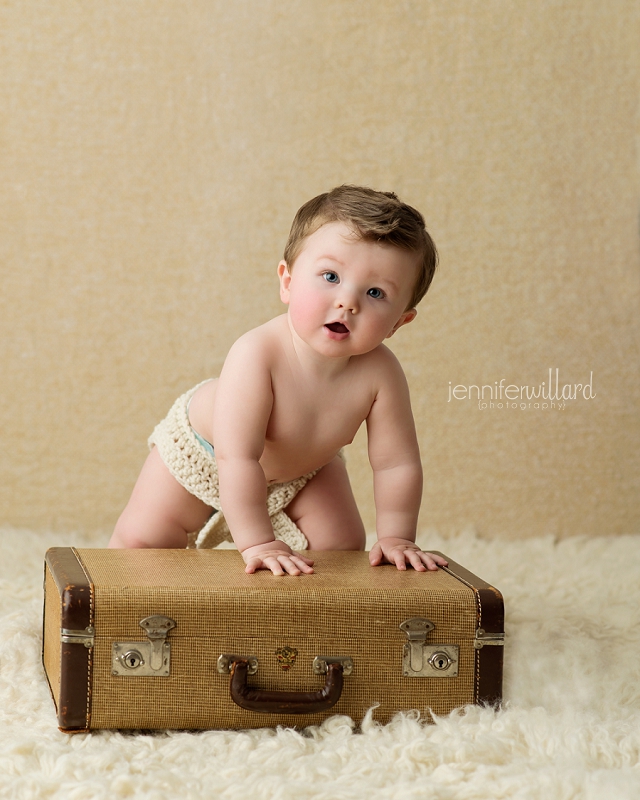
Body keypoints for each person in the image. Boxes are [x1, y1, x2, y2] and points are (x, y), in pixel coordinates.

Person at [109, 185, 448, 576]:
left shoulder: (381, 374)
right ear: (287, 281)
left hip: (307, 465)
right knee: (141, 545)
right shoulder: (258, 353)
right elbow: (236, 458)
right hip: (206, 452)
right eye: (330, 276)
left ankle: (295, 620)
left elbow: (396, 464)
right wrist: (257, 542)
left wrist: (396, 536)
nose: (348, 301)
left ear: (399, 322)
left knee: (341, 545)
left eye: (375, 293)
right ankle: (108, 605)